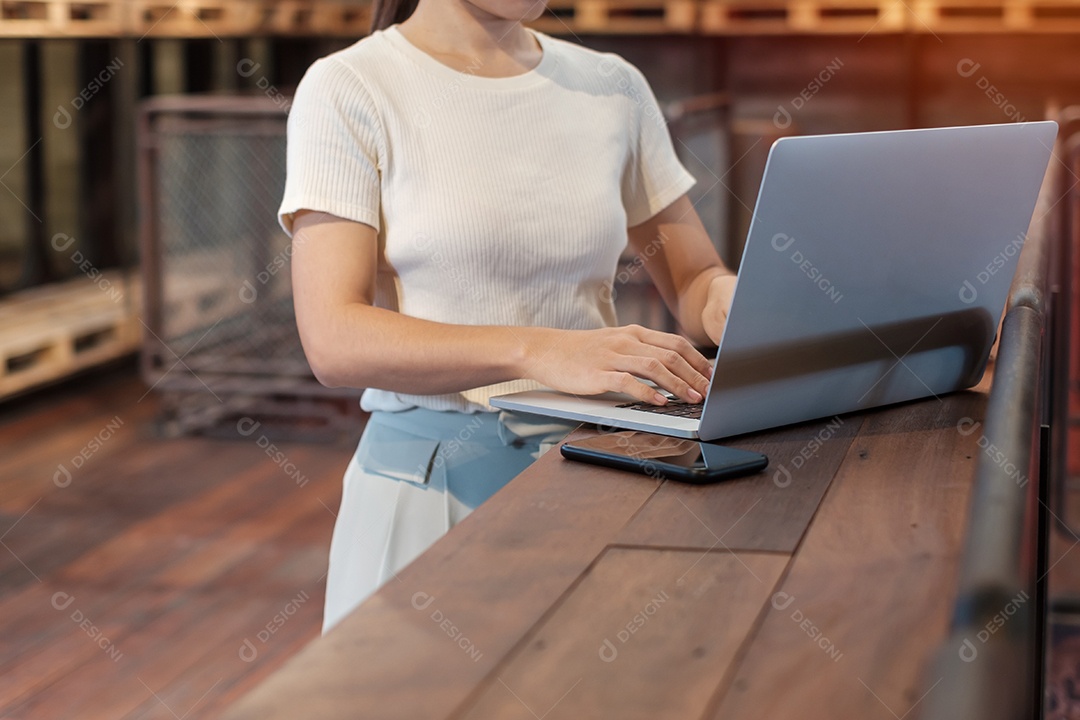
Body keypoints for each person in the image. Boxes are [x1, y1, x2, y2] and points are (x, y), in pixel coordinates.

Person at [279, 0, 738, 632]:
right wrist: (537, 350)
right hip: (432, 492)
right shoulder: (350, 86)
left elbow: (693, 279)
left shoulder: (613, 86)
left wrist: (727, 298)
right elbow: (334, 338)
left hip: (600, 471)